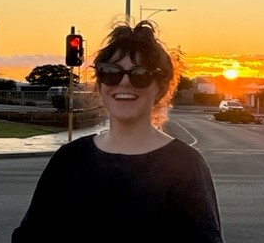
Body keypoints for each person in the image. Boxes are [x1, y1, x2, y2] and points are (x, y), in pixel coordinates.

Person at [12, 19, 224, 242]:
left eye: (140, 74)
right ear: (100, 82)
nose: (124, 83)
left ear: (160, 87)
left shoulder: (185, 165)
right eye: (111, 72)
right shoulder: (69, 159)